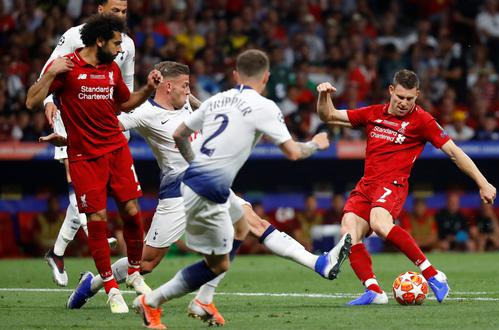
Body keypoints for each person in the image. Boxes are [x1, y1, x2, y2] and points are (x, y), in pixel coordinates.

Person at [58, 61, 349, 326]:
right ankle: (94, 283)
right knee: (145, 263)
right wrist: (67, 136)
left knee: (251, 222)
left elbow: (208, 113)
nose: (189, 89)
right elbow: (107, 127)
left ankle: (317, 263)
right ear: (168, 86)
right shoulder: (145, 113)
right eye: (184, 85)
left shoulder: (188, 105)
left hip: (208, 181)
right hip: (176, 192)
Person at [316, 69, 496, 305]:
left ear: (417, 95)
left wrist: (483, 182)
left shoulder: (422, 120)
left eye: (410, 99)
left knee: (380, 223)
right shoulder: (372, 114)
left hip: (393, 183)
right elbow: (328, 116)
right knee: (348, 231)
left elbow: (454, 152)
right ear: (391, 91)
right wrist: (323, 94)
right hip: (367, 184)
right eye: (400, 97)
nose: (403, 103)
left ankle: (433, 275)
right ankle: (374, 291)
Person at [26, 14, 163, 313]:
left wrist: (149, 89)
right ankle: (111, 289)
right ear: (99, 41)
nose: (119, 49)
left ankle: (135, 273)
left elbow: (124, 104)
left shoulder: (111, 68)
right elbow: (31, 101)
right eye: (116, 43)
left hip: (116, 150)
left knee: (131, 211)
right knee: (97, 219)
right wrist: (50, 75)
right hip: (84, 156)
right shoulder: (66, 66)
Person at [39, 0, 135, 288]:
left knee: (91, 190)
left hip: (106, 123)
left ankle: (56, 253)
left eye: (125, 11)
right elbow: (49, 71)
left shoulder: (126, 44)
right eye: (116, 10)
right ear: (100, 8)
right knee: (79, 185)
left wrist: (124, 120)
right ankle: (89, 227)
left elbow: (126, 86)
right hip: (70, 118)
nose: (121, 16)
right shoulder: (73, 36)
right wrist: (47, 101)